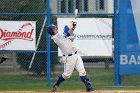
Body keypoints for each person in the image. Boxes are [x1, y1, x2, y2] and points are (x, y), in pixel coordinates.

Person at [47, 21, 94, 92]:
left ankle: (89, 87)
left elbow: (68, 33)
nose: (56, 28)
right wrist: (71, 23)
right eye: (54, 28)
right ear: (52, 31)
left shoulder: (59, 34)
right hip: (69, 58)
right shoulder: (56, 37)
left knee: (82, 71)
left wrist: (73, 27)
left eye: (55, 28)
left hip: (76, 54)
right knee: (66, 75)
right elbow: (66, 29)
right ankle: (56, 85)